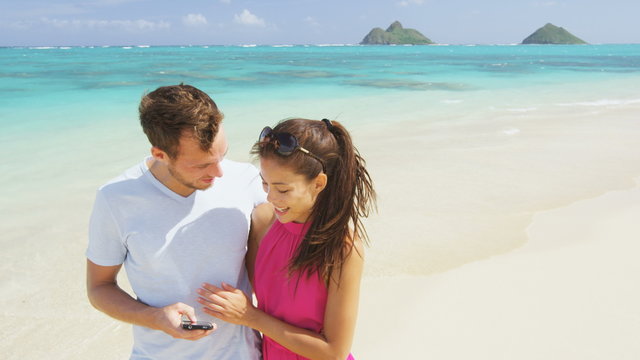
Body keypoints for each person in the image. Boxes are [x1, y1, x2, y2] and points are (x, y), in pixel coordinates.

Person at [86, 84, 265, 359]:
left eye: (222, 155)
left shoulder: (247, 180)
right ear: (160, 154)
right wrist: (155, 317)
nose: (218, 172)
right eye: (201, 165)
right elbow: (99, 288)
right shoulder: (116, 198)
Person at [197, 118, 376, 359]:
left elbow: (334, 352)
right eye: (264, 184)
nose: (271, 197)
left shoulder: (343, 249)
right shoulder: (262, 221)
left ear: (318, 183)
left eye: (282, 189)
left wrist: (249, 316)